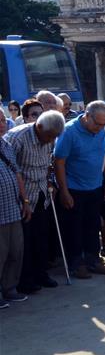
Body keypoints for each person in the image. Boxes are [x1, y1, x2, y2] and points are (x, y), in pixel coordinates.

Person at [53, 100, 105, 279]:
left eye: (104, 124)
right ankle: (75, 264)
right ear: (87, 116)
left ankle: (93, 260)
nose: (100, 128)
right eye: (97, 123)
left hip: (95, 187)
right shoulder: (69, 131)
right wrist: (64, 191)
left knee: (93, 225)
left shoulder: (104, 129)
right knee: (74, 228)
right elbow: (59, 162)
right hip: (73, 189)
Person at [6, 110, 65, 293]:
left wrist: (51, 183)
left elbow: (49, 163)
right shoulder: (17, 138)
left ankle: (41, 274)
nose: (50, 140)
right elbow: (12, 171)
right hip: (22, 198)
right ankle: (25, 280)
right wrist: (22, 199)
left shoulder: (50, 136)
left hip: (42, 195)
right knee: (25, 241)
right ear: (39, 127)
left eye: (54, 137)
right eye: (48, 136)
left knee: (42, 238)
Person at [0, 107, 31, 307]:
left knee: (15, 252)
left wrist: (25, 200)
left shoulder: (5, 144)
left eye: (3, 120)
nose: (2, 124)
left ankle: (10, 289)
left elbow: (17, 173)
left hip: (12, 208)